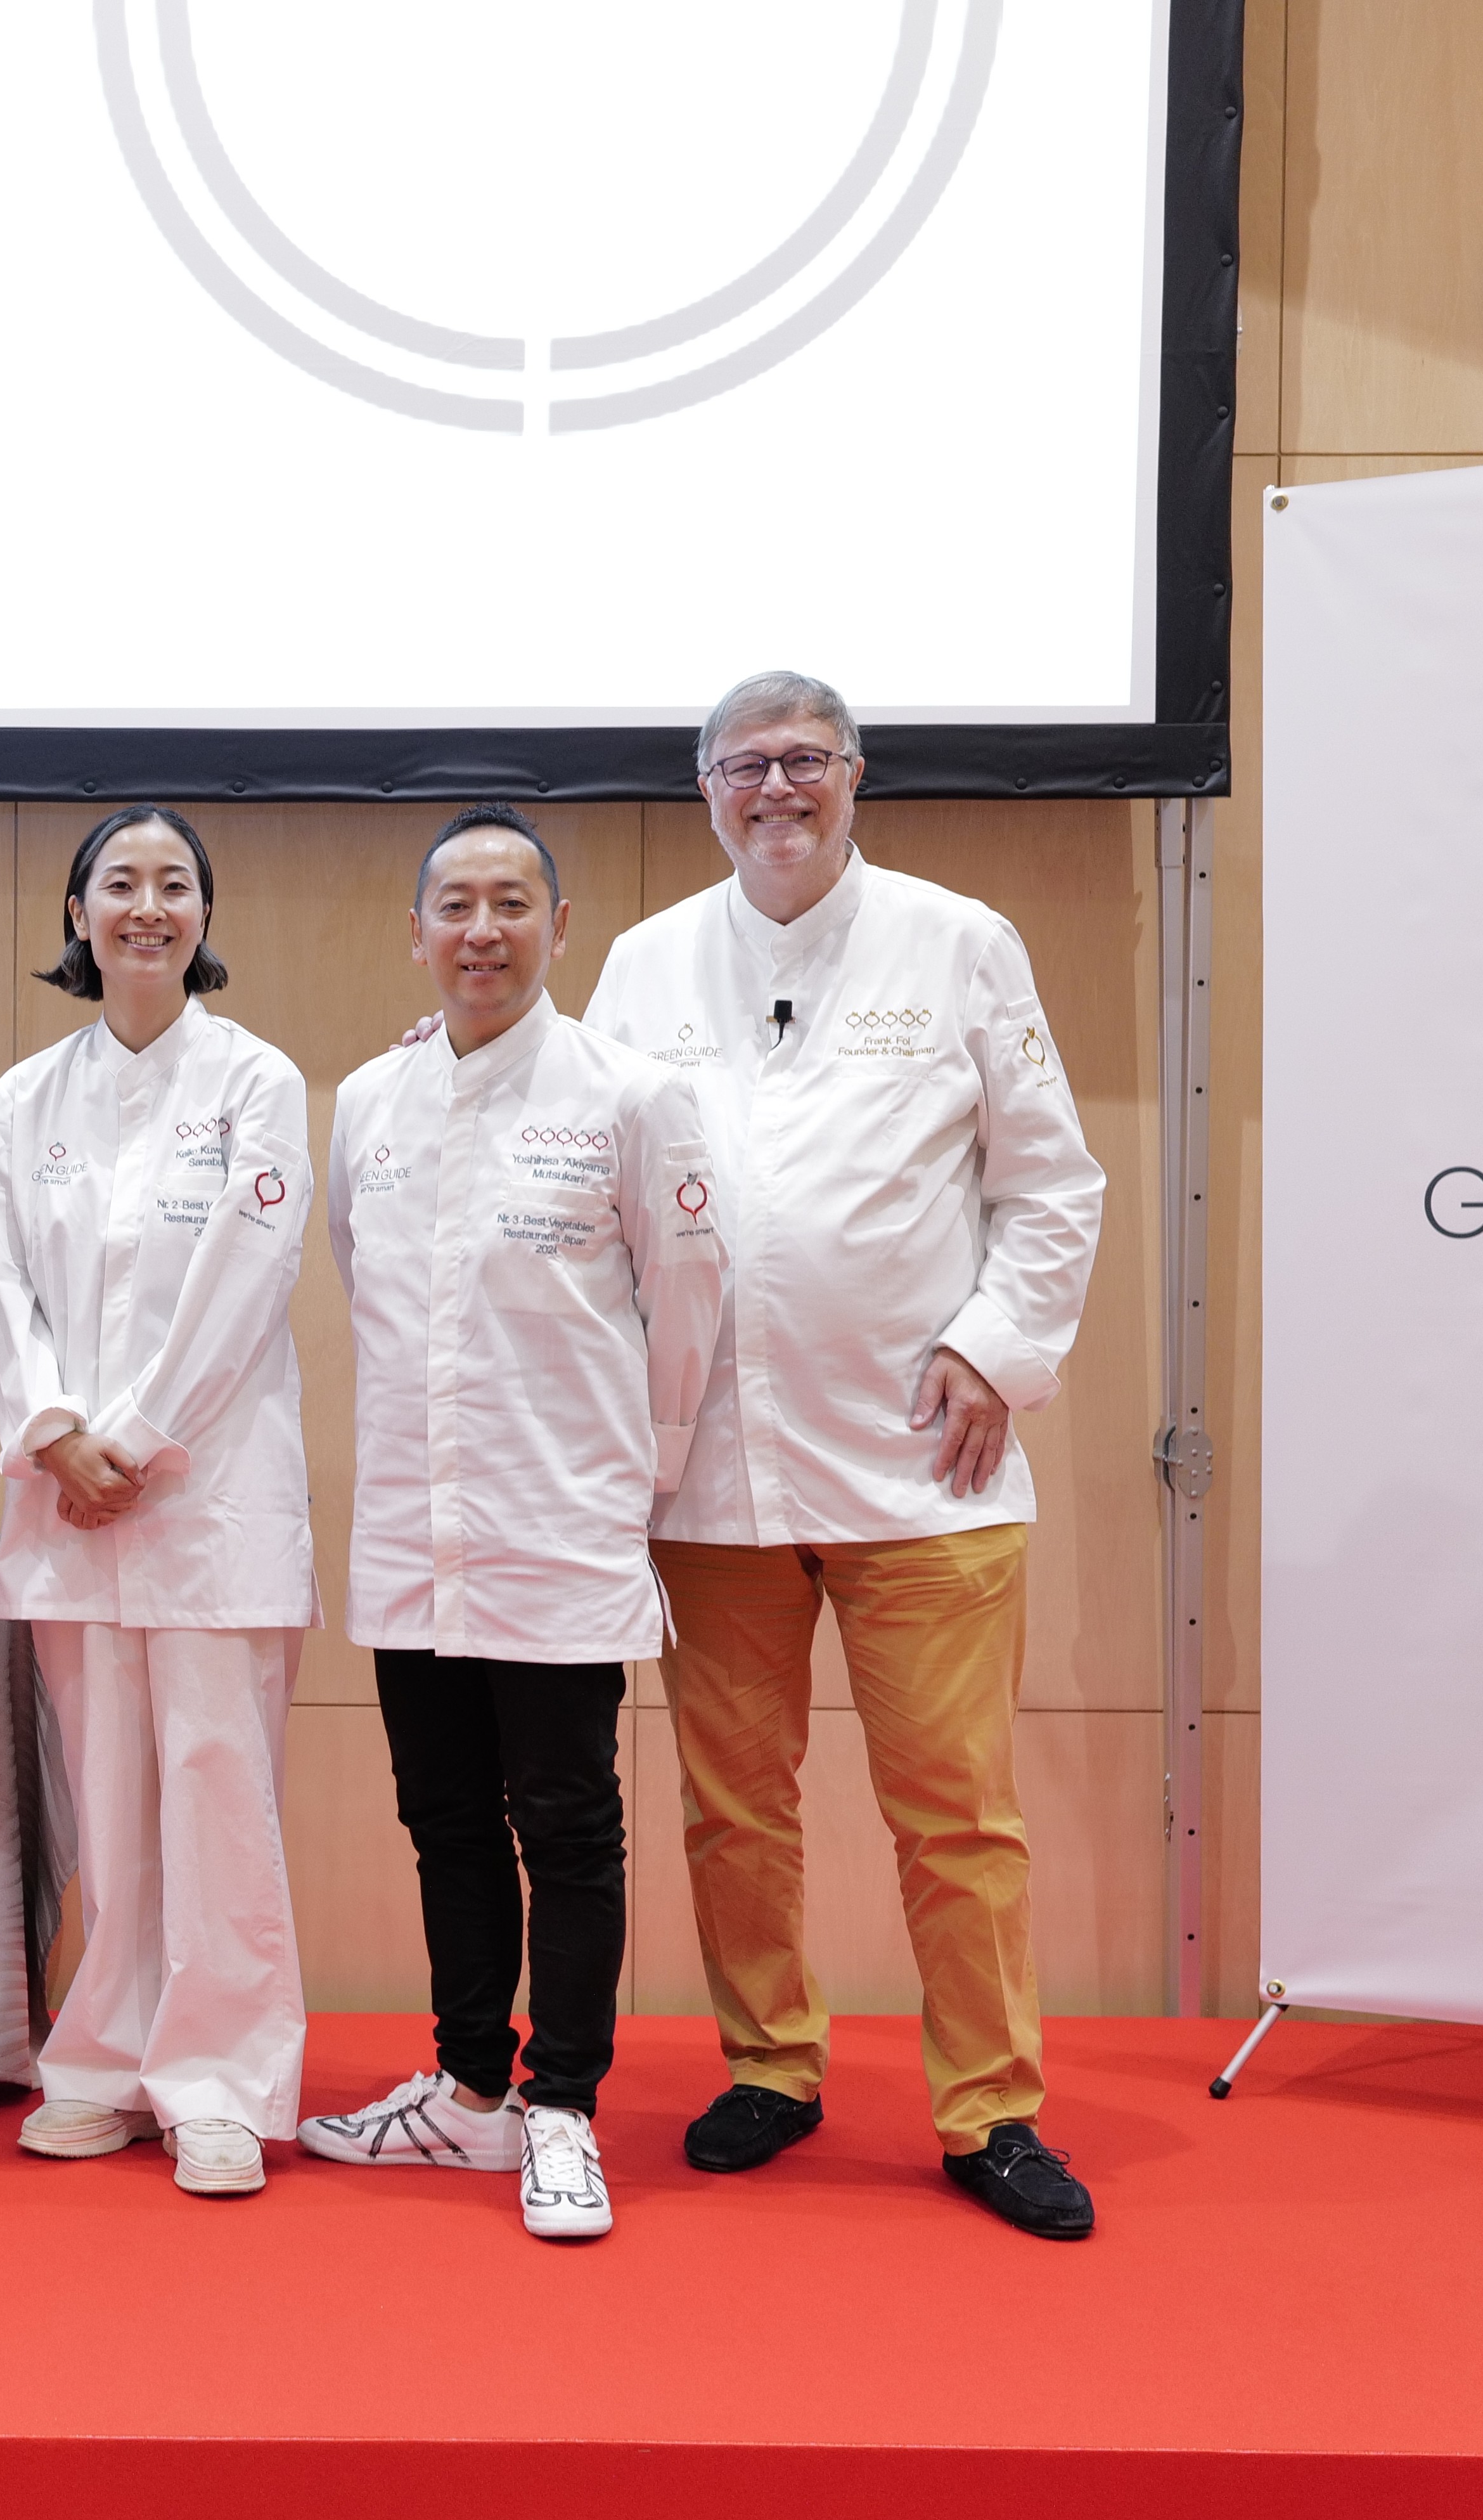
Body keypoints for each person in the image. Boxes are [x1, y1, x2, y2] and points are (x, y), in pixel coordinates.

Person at [583, 670, 1105, 2238]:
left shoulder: (959, 940)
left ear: (855, 774)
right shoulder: (644, 961)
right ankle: (769, 2063)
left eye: (804, 759)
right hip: (711, 1470)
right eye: (744, 765)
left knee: (955, 1813)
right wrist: (466, 1070)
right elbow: (580, 1158)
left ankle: (990, 2107)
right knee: (732, 1805)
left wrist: (992, 1346)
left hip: (919, 1463)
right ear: (705, 789)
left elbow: (1051, 1183)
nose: (776, 789)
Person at [302, 805, 722, 2239]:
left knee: (569, 1825)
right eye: (455, 905)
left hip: (561, 1520)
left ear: (558, 925)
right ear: (416, 931)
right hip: (412, 1525)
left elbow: (688, 1304)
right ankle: (468, 2090)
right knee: (443, 1820)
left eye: (510, 903)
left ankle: (561, 2111)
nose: (481, 930)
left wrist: (640, 1477)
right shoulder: (370, 1098)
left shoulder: (630, 1094)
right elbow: (360, 1273)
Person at [0, 804, 317, 2199]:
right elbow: (0, 1284)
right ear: (76, 913)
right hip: (68, 1503)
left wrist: (129, 1438)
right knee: (106, 1799)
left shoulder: (256, 1081)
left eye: (173, 884)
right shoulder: (25, 1096)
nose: (146, 906)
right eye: (118, 883)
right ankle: (105, 2065)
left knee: (216, 1793)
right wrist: (52, 1432)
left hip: (210, 1499)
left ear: (202, 916)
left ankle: (221, 2081)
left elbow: (248, 1276)